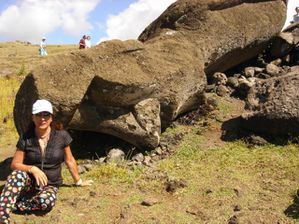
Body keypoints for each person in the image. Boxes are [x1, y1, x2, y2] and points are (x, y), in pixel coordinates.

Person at [0, 99, 93, 224]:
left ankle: (16, 203)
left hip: (50, 184)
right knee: (17, 174)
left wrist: (79, 181)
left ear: (51, 118)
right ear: (32, 117)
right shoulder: (26, 137)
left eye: (46, 114)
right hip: (28, 183)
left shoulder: (62, 136)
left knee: (46, 202)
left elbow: (69, 160)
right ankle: (2, 216)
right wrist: (32, 169)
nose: (42, 118)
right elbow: (15, 164)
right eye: (38, 115)